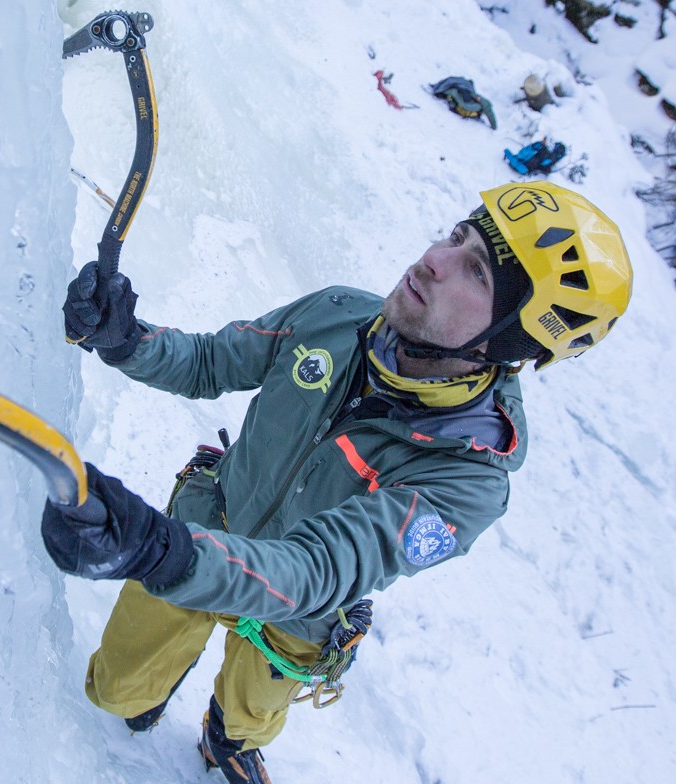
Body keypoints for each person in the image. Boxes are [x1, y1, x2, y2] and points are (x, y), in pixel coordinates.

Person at [45, 181, 633, 782]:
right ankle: (145, 700)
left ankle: (228, 738)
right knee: (115, 692)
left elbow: (318, 569)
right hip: (212, 521)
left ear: (509, 339)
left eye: (477, 272)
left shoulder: (468, 478)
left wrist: (159, 550)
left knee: (251, 712)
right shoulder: (335, 316)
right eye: (457, 237)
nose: (434, 258)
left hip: (292, 610)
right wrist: (125, 341)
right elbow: (211, 361)